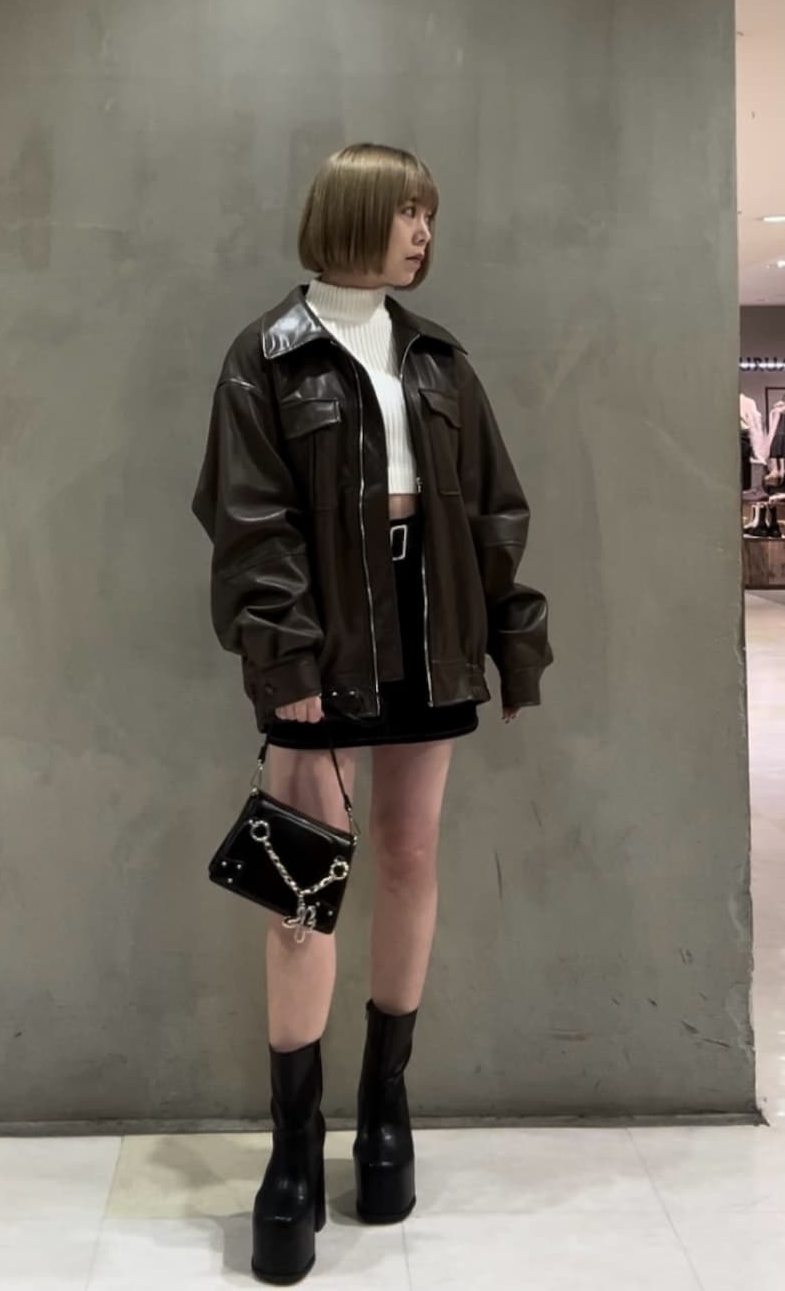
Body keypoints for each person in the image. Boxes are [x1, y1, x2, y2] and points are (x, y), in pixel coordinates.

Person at [191, 142, 552, 1285]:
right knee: (301, 888)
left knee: (406, 855)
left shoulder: (436, 356)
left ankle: (383, 1104)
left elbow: (493, 510)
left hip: (430, 626)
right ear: (351, 215)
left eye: (426, 213)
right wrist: (285, 656)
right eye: (405, 211)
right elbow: (248, 521)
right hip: (324, 636)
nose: (423, 232)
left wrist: (510, 644)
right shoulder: (267, 355)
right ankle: (292, 1142)